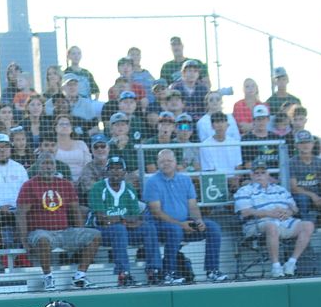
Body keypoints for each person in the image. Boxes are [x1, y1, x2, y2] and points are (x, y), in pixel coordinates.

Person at [17, 152, 101, 291]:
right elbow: (21, 214)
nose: (48, 167)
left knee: (95, 235)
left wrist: (79, 231)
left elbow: (75, 210)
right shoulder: (29, 185)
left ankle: (80, 276)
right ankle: (48, 277)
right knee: (43, 239)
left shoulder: (65, 185)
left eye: (51, 164)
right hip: (40, 232)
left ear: (55, 167)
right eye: (44, 163)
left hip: (64, 232)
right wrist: (24, 239)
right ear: (38, 166)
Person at [144, 148, 227, 282]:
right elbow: (156, 212)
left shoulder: (186, 180)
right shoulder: (152, 182)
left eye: (169, 160)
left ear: (176, 162)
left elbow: (193, 206)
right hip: (161, 227)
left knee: (213, 228)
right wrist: (180, 224)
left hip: (185, 223)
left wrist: (198, 220)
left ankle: (212, 270)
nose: (166, 163)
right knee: (175, 230)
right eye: (162, 161)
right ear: (158, 163)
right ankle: (169, 273)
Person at [234, 161, 315, 278]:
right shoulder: (244, 190)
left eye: (263, 172)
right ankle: (276, 267)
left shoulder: (280, 189)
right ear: (251, 175)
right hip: (257, 224)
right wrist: (269, 213)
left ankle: (291, 263)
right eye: (256, 173)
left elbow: (295, 208)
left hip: (285, 221)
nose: (260, 175)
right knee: (271, 225)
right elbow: (245, 212)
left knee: (308, 225)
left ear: (268, 174)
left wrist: (289, 212)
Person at [88, 156, 158, 286]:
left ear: (125, 172)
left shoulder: (129, 188)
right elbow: (101, 218)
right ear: (106, 171)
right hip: (102, 232)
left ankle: (153, 271)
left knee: (149, 228)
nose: (116, 172)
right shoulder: (98, 188)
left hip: (125, 230)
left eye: (119, 169)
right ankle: (123, 273)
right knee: (119, 230)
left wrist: (120, 220)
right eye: (112, 169)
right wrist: (124, 220)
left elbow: (136, 217)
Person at [288, 130, 321, 225]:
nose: (305, 145)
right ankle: (305, 226)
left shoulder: (320, 162)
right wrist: (312, 195)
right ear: (296, 145)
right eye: (301, 143)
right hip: (300, 196)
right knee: (302, 199)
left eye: (308, 142)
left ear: (313, 144)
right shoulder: (291, 162)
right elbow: (294, 188)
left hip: (317, 195)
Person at [199, 112, 244, 191]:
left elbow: (238, 166)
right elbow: (209, 171)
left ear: (227, 125)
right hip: (215, 184)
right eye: (217, 122)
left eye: (222, 121)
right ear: (212, 126)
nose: (220, 125)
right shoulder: (205, 145)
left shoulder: (235, 143)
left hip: (234, 182)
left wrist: (235, 180)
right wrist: (226, 181)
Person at [241, 104, 280, 170]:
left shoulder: (276, 138)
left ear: (268, 119)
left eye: (263, 119)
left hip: (275, 177)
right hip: (256, 176)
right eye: (258, 119)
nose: (261, 122)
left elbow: (281, 162)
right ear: (254, 121)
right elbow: (247, 164)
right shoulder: (246, 139)